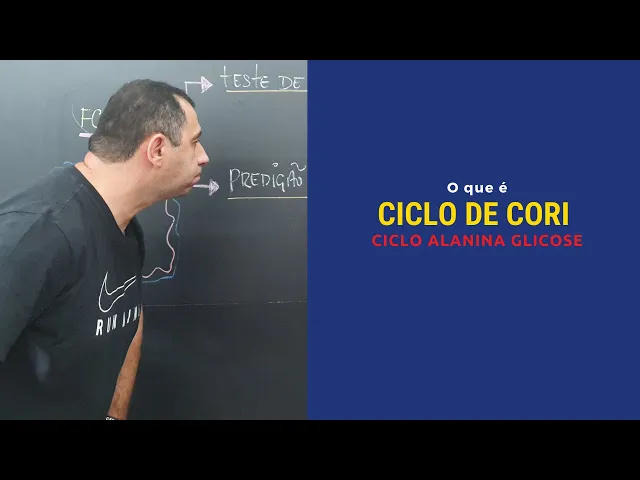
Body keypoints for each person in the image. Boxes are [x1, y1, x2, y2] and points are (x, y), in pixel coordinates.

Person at [0, 79, 210, 419]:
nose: (203, 157)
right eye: (194, 142)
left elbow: (128, 319)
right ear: (157, 149)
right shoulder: (36, 235)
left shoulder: (125, 228)